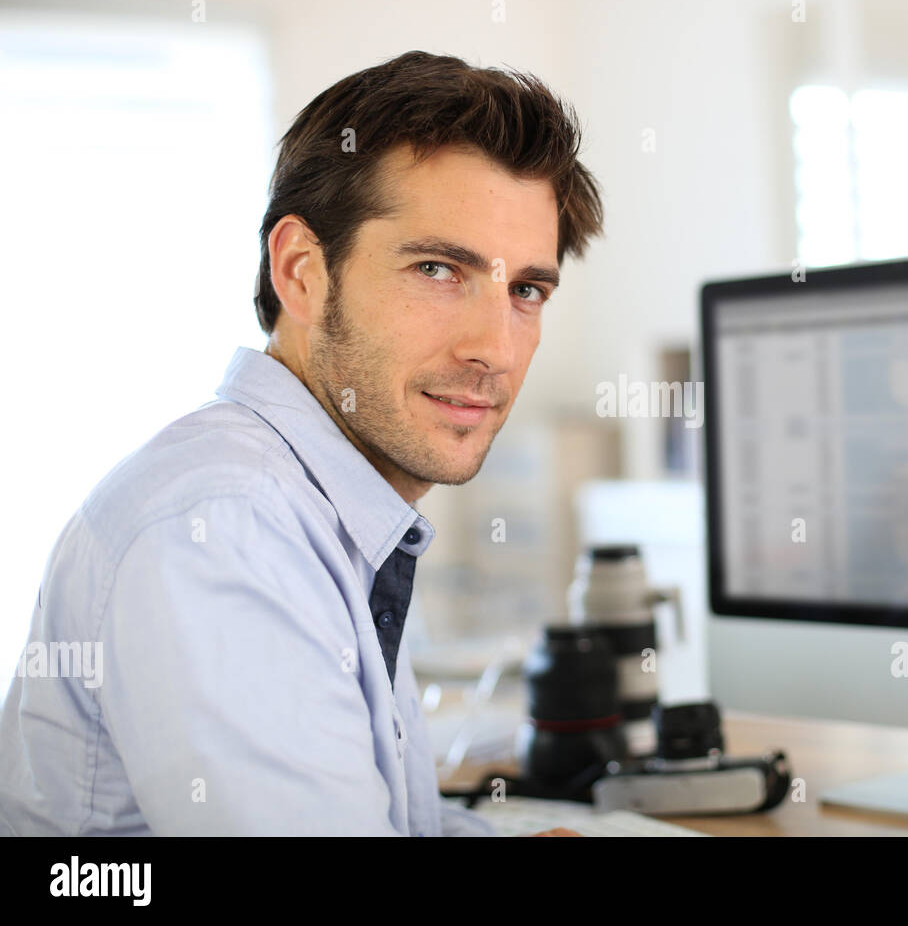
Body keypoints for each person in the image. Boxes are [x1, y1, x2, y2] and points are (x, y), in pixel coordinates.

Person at [0, 51, 603, 835]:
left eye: (525, 290)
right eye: (436, 269)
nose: (494, 347)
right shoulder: (224, 529)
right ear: (302, 272)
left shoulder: (320, 504)